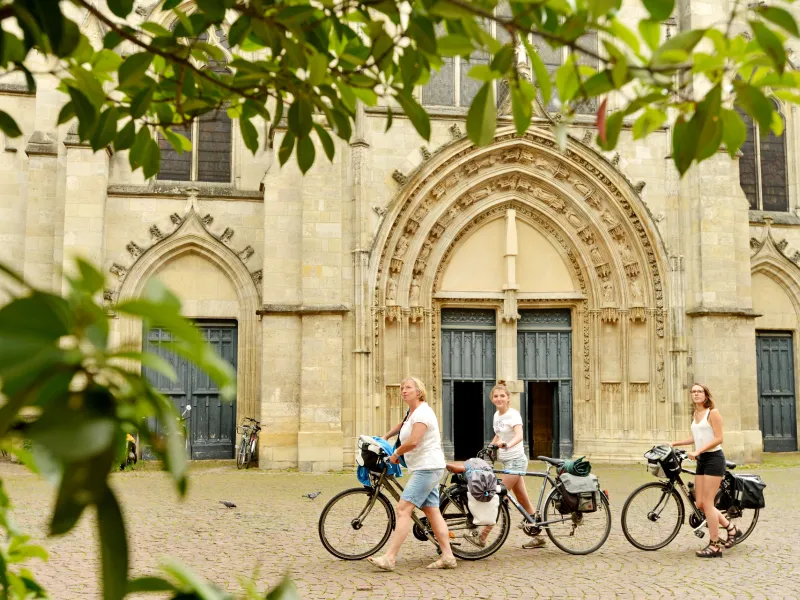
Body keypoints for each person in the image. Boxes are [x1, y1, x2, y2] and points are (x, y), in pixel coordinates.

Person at [367, 377, 457, 571]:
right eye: (401, 388)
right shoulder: (412, 412)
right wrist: (384, 437)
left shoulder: (423, 413)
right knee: (432, 511)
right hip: (424, 467)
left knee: (403, 509)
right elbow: (402, 426)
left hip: (428, 467)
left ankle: (390, 558)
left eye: (408, 388)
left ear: (419, 391)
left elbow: (414, 441)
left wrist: (397, 453)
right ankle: (448, 556)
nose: (403, 391)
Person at [466, 381, 546, 549]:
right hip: (507, 462)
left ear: (508, 398)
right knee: (523, 499)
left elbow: (519, 435)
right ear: (492, 399)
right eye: (496, 396)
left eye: (502, 396)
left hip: (516, 462)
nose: (499, 398)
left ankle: (483, 536)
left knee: (497, 496)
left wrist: (508, 445)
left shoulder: (513, 415)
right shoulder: (497, 416)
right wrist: (489, 447)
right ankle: (540, 536)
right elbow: (498, 435)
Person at [671, 383, 743, 557]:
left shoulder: (713, 413)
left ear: (706, 395)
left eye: (699, 392)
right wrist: (674, 443)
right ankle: (731, 528)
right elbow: (695, 437)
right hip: (702, 460)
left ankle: (715, 545)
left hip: (714, 460)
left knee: (709, 504)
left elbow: (719, 438)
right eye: (693, 392)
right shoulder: (696, 414)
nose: (696, 394)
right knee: (700, 504)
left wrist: (698, 451)